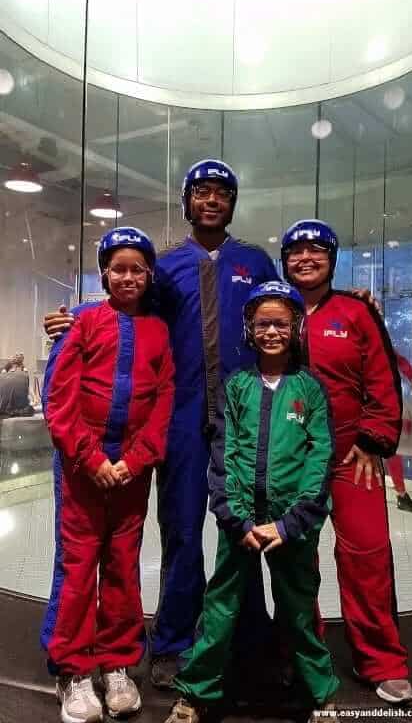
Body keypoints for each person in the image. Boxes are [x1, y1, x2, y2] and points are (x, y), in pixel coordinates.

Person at [43, 159, 279, 689]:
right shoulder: (167, 265)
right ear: (187, 202)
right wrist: (74, 318)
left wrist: (354, 300)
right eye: (202, 193)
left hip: (244, 422)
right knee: (180, 529)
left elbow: (286, 318)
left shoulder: (255, 262)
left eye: (222, 192)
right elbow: (121, 305)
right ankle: (173, 641)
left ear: (232, 202)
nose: (212, 201)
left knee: (244, 532)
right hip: (180, 420)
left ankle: (247, 637)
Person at [166, 280, 339, 723]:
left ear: (296, 327)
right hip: (239, 525)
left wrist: (290, 523)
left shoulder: (311, 390)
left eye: (281, 323)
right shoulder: (237, 385)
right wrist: (235, 519)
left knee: (299, 614)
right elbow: (224, 455)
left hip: (291, 528)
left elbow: (318, 460)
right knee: (220, 609)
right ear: (249, 327)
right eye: (263, 323)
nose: (272, 332)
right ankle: (196, 694)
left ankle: (320, 695)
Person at [41, 227, 175, 723]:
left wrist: (135, 461)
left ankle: (117, 663)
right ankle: (72, 671)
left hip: (130, 474)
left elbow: (163, 401)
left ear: (149, 275)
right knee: (77, 569)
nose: (128, 277)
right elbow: (59, 400)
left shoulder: (159, 331)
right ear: (103, 274)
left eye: (137, 269)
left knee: (122, 566)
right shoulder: (81, 321)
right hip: (83, 470)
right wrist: (90, 458)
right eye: (118, 268)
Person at [280, 219, 412, 705]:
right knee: (297, 563)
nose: (305, 259)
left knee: (367, 556)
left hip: (350, 458)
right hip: (293, 460)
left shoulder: (356, 312)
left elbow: (381, 380)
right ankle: (302, 654)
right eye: (295, 252)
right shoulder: (274, 312)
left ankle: (380, 658)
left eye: (316, 250)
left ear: (331, 259)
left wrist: (374, 441)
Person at [385, 352, 412, 514]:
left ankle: (401, 495)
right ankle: (401, 495)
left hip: (384, 399)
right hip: (370, 400)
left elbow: (399, 359)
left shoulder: (376, 337)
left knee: (395, 443)